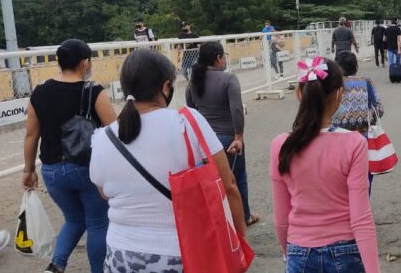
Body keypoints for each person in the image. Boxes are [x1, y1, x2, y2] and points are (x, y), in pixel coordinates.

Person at [90, 48, 247, 273]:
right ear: (165, 87)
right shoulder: (188, 122)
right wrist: (239, 238)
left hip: (120, 255)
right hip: (181, 253)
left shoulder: (102, 138)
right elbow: (228, 184)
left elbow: (105, 193)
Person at [270, 56, 379, 273]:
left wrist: (288, 253)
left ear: (299, 94)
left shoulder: (281, 145)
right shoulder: (354, 143)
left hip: (299, 249)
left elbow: (281, 219)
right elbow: (361, 218)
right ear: (339, 94)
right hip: (345, 251)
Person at [23, 39, 117, 273]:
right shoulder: (94, 91)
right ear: (85, 63)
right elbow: (114, 132)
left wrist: (28, 170)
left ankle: (56, 266)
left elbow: (31, 135)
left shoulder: (39, 92)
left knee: (74, 219)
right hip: (86, 169)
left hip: (51, 172)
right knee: (97, 223)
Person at [186, 41, 259, 227]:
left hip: (204, 142)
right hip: (228, 140)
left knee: (212, 181)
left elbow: (191, 112)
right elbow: (236, 109)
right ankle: (244, 216)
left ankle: (219, 218)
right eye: (223, 56)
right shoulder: (228, 79)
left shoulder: (193, 82)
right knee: (237, 179)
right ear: (219, 58)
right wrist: (239, 136)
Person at [332, 51, 385, 194]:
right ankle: (362, 205)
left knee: (339, 183)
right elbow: (379, 110)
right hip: (364, 141)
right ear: (356, 67)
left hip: (337, 141)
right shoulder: (366, 82)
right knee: (363, 182)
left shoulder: (332, 85)